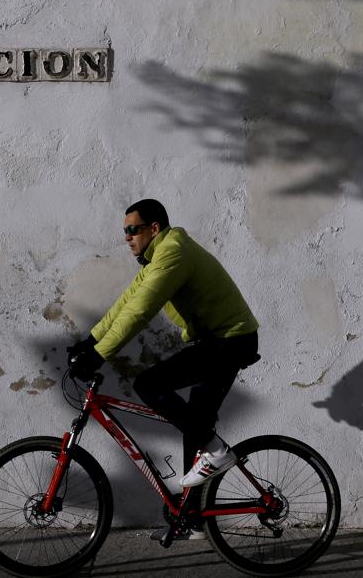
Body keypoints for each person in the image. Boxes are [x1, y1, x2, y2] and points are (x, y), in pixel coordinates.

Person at [66, 199, 260, 537]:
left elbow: (140, 313)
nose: (127, 238)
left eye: (132, 230)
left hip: (229, 342)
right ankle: (191, 519)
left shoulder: (173, 253)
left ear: (154, 228)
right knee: (195, 426)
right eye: (124, 232)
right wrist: (90, 340)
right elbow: (126, 303)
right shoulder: (158, 257)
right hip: (216, 343)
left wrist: (99, 356)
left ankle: (215, 450)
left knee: (149, 384)